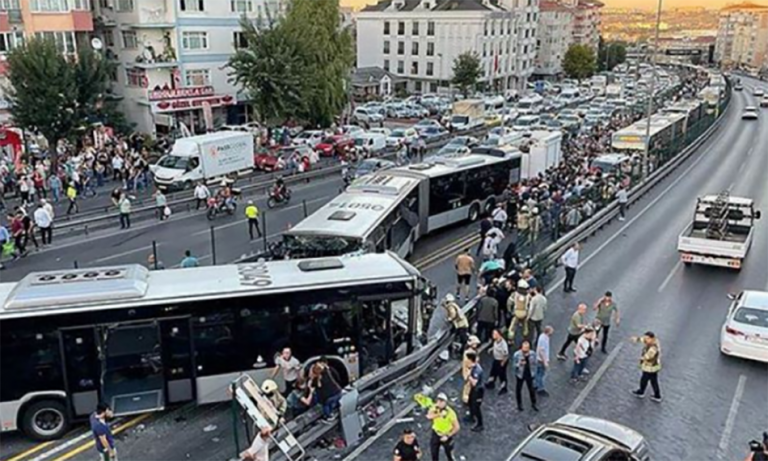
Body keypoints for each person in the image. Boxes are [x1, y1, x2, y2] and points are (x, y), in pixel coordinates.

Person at [426, 393, 459, 461]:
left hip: (446, 435)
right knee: (434, 454)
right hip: (436, 433)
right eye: (438, 401)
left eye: (442, 401)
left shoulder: (451, 413)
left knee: (449, 454)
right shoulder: (434, 408)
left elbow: (457, 427)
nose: (439, 403)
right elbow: (428, 416)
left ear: (445, 402)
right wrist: (439, 415)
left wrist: (447, 436)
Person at [631, 331, 662, 402]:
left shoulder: (653, 348)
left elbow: (648, 356)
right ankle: (657, 395)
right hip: (653, 367)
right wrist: (637, 339)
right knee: (653, 381)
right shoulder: (652, 341)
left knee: (644, 379)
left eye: (647, 338)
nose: (645, 340)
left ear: (652, 338)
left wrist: (641, 358)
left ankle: (641, 392)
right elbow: (643, 340)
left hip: (650, 367)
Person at [512, 341, 538, 412]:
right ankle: (519, 404)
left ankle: (534, 403)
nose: (526, 350)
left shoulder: (532, 354)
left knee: (531, 389)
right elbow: (514, 365)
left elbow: (535, 363)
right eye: (524, 348)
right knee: (518, 390)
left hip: (529, 374)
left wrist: (534, 373)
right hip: (520, 374)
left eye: (527, 348)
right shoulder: (517, 355)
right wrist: (519, 364)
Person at [485, 329, 509, 395]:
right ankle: (491, 383)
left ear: (499, 334)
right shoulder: (496, 341)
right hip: (496, 359)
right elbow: (495, 346)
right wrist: (491, 349)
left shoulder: (503, 344)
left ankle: (504, 387)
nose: (493, 335)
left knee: (502, 374)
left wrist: (503, 363)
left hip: (501, 360)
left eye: (495, 334)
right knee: (493, 371)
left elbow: (506, 354)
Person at [465, 351, 484, 432]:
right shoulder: (472, 367)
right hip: (474, 389)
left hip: (478, 390)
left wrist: (468, 375)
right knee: (470, 402)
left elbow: (474, 382)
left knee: (476, 407)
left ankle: (480, 424)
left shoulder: (477, 370)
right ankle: (471, 416)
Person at [535, 326, 553, 395]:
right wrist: (545, 361)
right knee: (541, 374)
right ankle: (540, 388)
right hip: (541, 360)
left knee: (538, 373)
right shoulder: (544, 339)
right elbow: (541, 351)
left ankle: (536, 384)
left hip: (540, 359)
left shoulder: (543, 336)